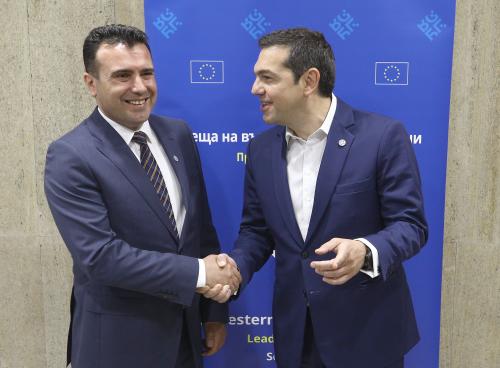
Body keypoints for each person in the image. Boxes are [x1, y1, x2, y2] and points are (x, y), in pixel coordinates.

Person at [204, 28, 428, 368]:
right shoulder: (261, 151)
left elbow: (410, 226)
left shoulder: (382, 137)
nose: (255, 89)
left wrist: (365, 251)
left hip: (367, 335)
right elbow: (256, 232)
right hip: (297, 336)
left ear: (309, 81)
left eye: (267, 78)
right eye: (256, 77)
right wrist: (235, 267)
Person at [44, 24, 240, 368]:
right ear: (91, 83)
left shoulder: (177, 134)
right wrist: (200, 274)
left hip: (185, 340)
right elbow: (101, 257)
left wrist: (214, 312)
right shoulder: (70, 155)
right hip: (119, 346)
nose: (139, 87)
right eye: (122, 75)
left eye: (146, 73)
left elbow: (200, 230)